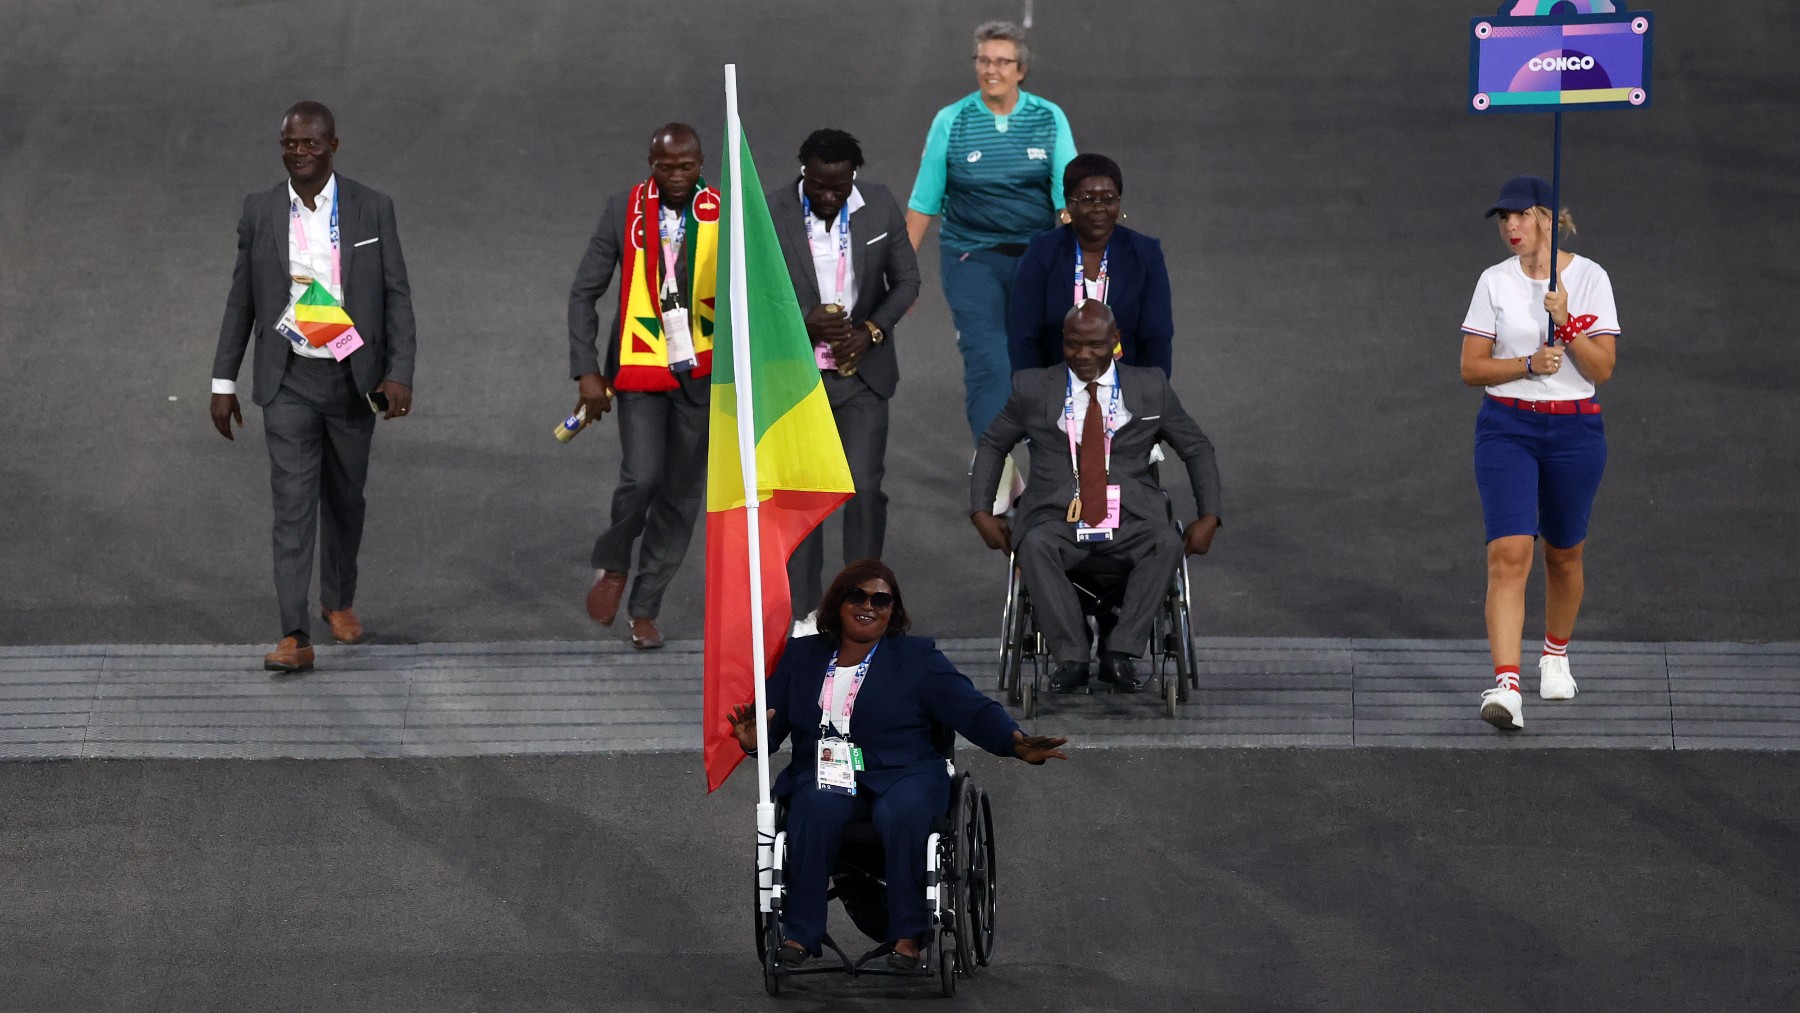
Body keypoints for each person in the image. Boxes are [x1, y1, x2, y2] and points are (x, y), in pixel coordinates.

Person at [728, 560, 1067, 971]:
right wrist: (753, 743)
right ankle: (800, 934)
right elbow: (771, 727)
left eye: (880, 599)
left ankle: (908, 938)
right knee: (814, 805)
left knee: (903, 812)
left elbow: (971, 709)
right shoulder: (801, 656)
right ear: (839, 602)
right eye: (858, 595)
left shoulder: (916, 657)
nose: (867, 605)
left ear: (893, 610)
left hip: (905, 772)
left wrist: (1014, 743)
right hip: (828, 774)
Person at [209, 101, 417, 673]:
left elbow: (396, 294)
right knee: (292, 507)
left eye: (310, 144)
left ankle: (337, 600)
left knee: (346, 501)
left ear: (333, 146)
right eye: (290, 143)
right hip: (289, 379)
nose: (299, 153)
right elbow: (241, 300)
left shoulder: (372, 208)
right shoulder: (260, 211)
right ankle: (293, 634)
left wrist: (399, 371)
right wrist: (222, 380)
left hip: (353, 378)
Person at [970, 302, 1222, 691]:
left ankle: (1119, 653)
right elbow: (991, 445)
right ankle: (1070, 656)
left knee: (1165, 543)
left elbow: (1197, 447)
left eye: (1094, 345)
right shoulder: (1033, 388)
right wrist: (981, 512)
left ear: (1115, 342)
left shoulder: (1149, 386)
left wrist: (1209, 516)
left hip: (1132, 520)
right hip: (1056, 519)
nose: (1083, 355)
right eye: (1073, 345)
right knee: (1033, 544)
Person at [1460, 175, 1619, 731]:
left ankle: (1555, 653)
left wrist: (1567, 322)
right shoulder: (1493, 283)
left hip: (1575, 432)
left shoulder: (1591, 278)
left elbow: (1601, 368)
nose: (1510, 227)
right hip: (1507, 428)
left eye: (1520, 216)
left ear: (1547, 219)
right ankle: (1506, 685)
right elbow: (1471, 367)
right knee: (1509, 553)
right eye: (1503, 219)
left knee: (1563, 554)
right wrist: (1526, 365)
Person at [568, 123, 721, 650]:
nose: (676, 176)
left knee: (680, 495)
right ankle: (613, 562)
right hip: (638, 365)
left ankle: (645, 607)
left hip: (701, 369)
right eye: (665, 166)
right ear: (650, 163)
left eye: (686, 166)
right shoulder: (622, 208)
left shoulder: (726, 212)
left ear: (702, 162)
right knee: (641, 476)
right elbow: (584, 293)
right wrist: (587, 370)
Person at [768, 129, 921, 634]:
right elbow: (751, 293)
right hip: (798, 380)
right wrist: (801, 324)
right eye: (818, 186)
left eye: (838, 187)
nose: (829, 197)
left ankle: (865, 602)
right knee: (806, 494)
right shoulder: (771, 212)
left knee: (864, 486)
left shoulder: (877, 204)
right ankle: (805, 614)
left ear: (853, 176)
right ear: (803, 172)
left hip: (861, 378)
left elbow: (907, 281)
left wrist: (871, 332)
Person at [905, 20, 1077, 452]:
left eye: (1002, 62)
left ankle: (1050, 472)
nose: (991, 70)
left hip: (1036, 258)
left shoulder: (1048, 117)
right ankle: (995, 475)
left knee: (1041, 364)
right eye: (983, 60)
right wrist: (903, 278)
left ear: (1021, 70)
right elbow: (925, 202)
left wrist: (1085, 264)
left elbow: (1067, 200)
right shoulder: (952, 120)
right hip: (971, 257)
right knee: (989, 363)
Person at [1008, 154, 1173, 375]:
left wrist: (1152, 395)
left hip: (1126, 391)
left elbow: (1157, 336)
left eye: (1108, 199)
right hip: (1055, 390)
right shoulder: (1043, 251)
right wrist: (1032, 395)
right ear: (1068, 204)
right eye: (1087, 199)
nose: (1099, 208)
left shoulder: (1145, 254)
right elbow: (1023, 335)